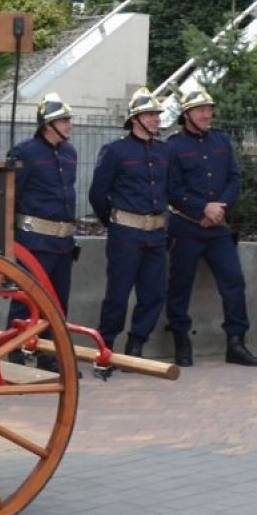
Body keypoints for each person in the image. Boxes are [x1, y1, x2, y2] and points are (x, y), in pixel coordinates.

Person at [164, 89, 257, 367]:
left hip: (218, 230)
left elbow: (233, 178)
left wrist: (220, 208)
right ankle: (181, 339)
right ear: (186, 115)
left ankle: (236, 343)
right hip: (186, 228)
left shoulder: (220, 140)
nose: (207, 115)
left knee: (234, 283)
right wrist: (201, 208)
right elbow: (173, 189)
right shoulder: (173, 146)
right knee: (179, 286)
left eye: (209, 109)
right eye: (200, 110)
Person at [88, 87, 170, 357]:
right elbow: (98, 193)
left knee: (153, 293)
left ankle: (137, 343)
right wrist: (115, 223)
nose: (156, 119)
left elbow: (170, 188)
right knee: (118, 294)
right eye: (150, 115)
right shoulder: (116, 151)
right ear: (135, 119)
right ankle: (106, 345)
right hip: (126, 234)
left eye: (157, 115)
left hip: (155, 235)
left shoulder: (164, 151)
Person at [7, 93, 78, 370]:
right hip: (33, 241)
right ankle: (15, 353)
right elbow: (12, 196)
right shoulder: (24, 152)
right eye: (64, 120)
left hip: (62, 242)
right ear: (48, 124)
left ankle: (49, 356)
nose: (69, 124)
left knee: (58, 302)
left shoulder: (70, 153)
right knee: (26, 300)